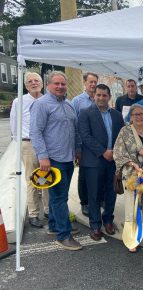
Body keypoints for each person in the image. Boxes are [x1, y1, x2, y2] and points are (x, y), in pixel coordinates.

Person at [30, 71, 82, 251]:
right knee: (60, 197)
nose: (60, 87)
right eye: (56, 84)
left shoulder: (68, 105)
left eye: (63, 84)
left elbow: (74, 131)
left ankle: (54, 224)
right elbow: (35, 132)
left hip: (68, 157)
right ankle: (63, 235)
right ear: (48, 85)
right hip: (52, 159)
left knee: (58, 195)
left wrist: (77, 150)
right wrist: (43, 156)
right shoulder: (41, 105)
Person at [78, 84, 124, 241]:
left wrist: (115, 153)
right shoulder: (85, 113)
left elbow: (121, 136)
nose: (101, 98)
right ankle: (96, 225)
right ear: (94, 96)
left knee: (111, 192)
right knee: (94, 194)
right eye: (98, 95)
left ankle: (108, 220)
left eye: (104, 95)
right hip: (94, 161)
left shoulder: (117, 116)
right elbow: (85, 136)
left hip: (113, 161)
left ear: (109, 97)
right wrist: (103, 152)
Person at [113, 104, 143, 252]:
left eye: (142, 114)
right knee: (132, 207)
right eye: (136, 114)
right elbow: (118, 153)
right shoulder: (125, 131)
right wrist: (133, 164)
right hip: (132, 175)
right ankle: (132, 238)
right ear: (131, 117)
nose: (139, 117)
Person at [10, 72, 48, 228]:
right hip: (29, 144)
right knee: (32, 179)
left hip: (46, 145)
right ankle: (33, 213)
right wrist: (20, 144)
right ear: (26, 85)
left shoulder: (47, 100)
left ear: (42, 83)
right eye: (30, 81)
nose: (34, 83)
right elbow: (14, 125)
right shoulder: (19, 101)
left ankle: (48, 210)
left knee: (46, 178)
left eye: (37, 80)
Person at [71, 72, 99, 217]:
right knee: (84, 175)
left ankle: (98, 200)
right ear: (84, 82)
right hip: (84, 145)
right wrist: (77, 147)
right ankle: (85, 203)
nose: (93, 84)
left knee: (98, 173)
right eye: (91, 82)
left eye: (95, 82)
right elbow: (74, 125)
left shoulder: (100, 99)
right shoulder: (77, 101)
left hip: (99, 145)